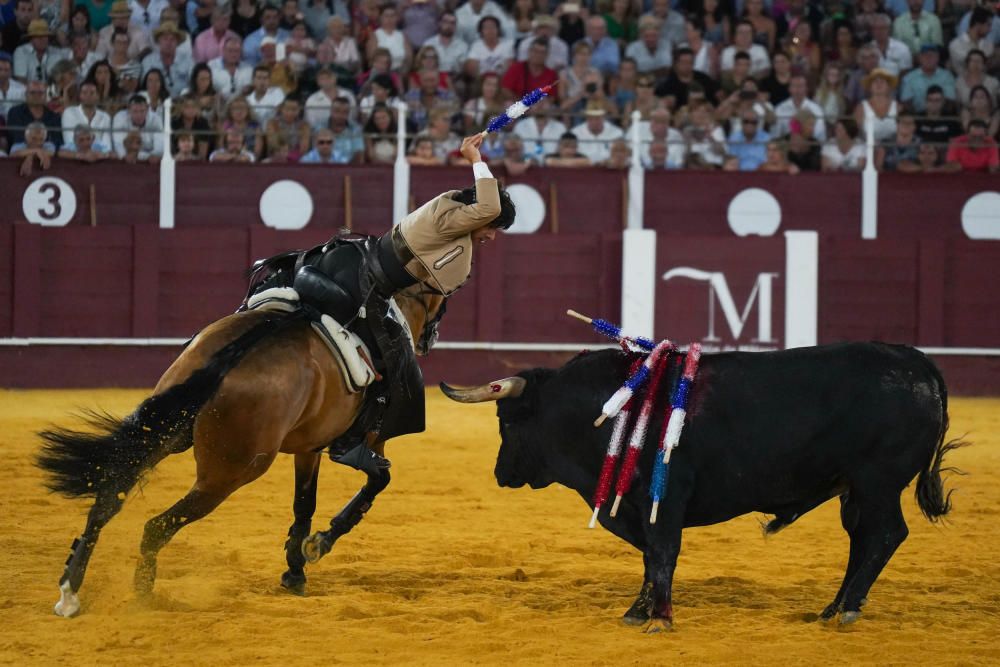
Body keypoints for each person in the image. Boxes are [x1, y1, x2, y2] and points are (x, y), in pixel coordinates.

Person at [6, 78, 62, 147]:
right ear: (26, 95)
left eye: (40, 93)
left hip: (48, 153)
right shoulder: (15, 112)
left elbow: (57, 142)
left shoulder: (54, 116)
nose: (36, 96)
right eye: (32, 93)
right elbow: (17, 139)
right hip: (21, 153)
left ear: (45, 95)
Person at [899, 44, 955, 113]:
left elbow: (950, 101)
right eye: (925, 56)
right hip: (918, 118)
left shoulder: (947, 76)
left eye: (932, 56)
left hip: (942, 117)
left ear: (938, 58)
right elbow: (906, 102)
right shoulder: (909, 78)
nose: (929, 59)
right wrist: (918, 119)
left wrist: (940, 117)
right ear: (920, 58)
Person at [111, 93, 162, 159]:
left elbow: (159, 148)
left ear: (147, 109)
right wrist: (125, 156)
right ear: (128, 110)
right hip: (126, 160)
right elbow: (118, 145)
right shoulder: (119, 117)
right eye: (135, 111)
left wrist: (143, 156)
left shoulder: (156, 119)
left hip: (149, 162)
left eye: (142, 111)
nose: (139, 115)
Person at [61, 79, 111, 146]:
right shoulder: (69, 113)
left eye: (92, 93)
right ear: (80, 95)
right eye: (84, 93)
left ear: (98, 96)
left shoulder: (105, 116)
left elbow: (107, 144)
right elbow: (69, 141)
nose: (88, 96)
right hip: (74, 155)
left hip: (100, 155)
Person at [13, 19, 59, 84]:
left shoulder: (56, 53)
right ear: (31, 39)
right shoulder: (21, 52)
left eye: (44, 36)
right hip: (28, 92)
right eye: (38, 36)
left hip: (51, 92)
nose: (42, 39)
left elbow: (59, 79)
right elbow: (20, 80)